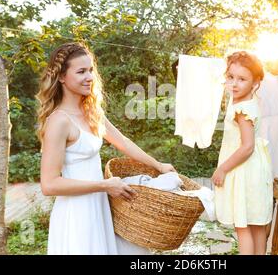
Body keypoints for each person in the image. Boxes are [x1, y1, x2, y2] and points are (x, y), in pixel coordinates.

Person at [36, 42, 175, 255]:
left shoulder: (90, 112)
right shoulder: (58, 122)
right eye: (81, 71)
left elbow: (124, 142)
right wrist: (104, 185)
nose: (89, 77)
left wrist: (158, 165)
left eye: (91, 70)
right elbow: (49, 185)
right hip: (76, 215)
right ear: (62, 77)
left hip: (98, 206)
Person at [212, 51, 273, 255]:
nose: (234, 84)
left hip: (245, 170)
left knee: (243, 225)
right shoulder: (244, 103)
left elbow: (247, 147)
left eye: (242, 79)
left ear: (256, 82)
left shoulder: (242, 110)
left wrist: (222, 169)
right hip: (254, 169)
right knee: (255, 224)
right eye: (231, 77)